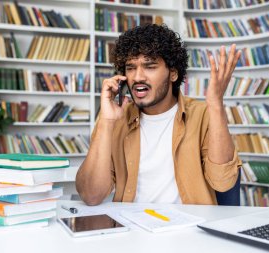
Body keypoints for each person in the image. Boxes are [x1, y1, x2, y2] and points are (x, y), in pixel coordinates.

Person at [76, 24, 242, 206]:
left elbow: (223, 182)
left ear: (173, 73)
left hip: (188, 230)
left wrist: (216, 104)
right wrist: (106, 122)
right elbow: (91, 196)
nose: (138, 77)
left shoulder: (203, 115)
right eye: (130, 68)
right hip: (132, 228)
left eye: (150, 66)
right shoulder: (116, 119)